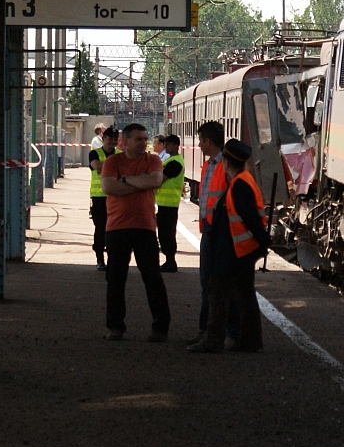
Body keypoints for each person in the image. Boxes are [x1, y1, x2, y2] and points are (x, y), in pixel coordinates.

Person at [188, 139, 271, 353]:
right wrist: (262, 243)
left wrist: (263, 241)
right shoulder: (243, 180)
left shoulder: (239, 184)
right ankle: (251, 342)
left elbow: (249, 217)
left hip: (235, 251)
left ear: (226, 161)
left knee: (217, 293)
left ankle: (212, 340)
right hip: (241, 249)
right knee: (244, 296)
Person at [100, 123, 171, 342]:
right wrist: (140, 183)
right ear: (126, 141)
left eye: (145, 139)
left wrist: (126, 180)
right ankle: (115, 326)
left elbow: (155, 180)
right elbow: (109, 188)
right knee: (115, 279)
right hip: (117, 227)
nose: (144, 144)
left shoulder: (153, 160)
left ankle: (160, 327)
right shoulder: (113, 162)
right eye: (139, 139)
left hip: (145, 226)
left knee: (153, 278)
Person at [188, 121, 240, 347]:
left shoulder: (226, 165)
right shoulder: (208, 166)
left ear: (208, 141)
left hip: (224, 233)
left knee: (223, 285)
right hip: (209, 230)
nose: (198, 145)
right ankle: (205, 330)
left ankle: (230, 334)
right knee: (207, 283)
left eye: (200, 141)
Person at [88, 127, 120, 271]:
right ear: (104, 139)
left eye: (115, 139)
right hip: (99, 198)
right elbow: (95, 165)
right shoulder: (95, 153)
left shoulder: (120, 154)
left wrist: (105, 168)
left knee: (116, 230)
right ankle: (100, 259)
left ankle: (114, 259)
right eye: (110, 138)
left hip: (117, 197)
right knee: (100, 229)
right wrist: (115, 168)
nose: (113, 141)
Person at [155, 134, 184, 273]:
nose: (165, 147)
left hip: (169, 204)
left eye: (168, 144)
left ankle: (171, 261)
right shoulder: (171, 160)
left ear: (175, 146)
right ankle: (169, 261)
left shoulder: (175, 162)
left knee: (167, 234)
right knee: (164, 233)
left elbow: (160, 179)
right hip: (165, 203)